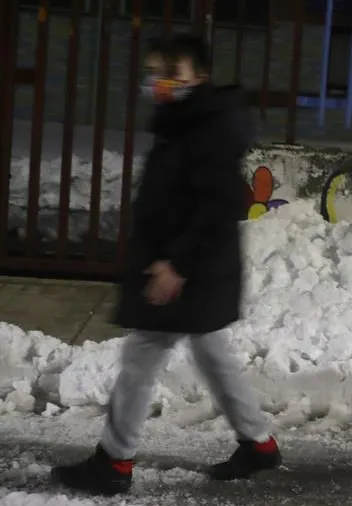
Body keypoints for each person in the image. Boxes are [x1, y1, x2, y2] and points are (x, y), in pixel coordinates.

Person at [51, 34, 280, 496]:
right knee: (212, 354)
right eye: (156, 72)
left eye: (172, 71)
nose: (160, 81)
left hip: (188, 268)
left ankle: (113, 465)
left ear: (200, 75)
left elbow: (216, 204)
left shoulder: (206, 127)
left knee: (142, 356)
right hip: (195, 266)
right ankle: (259, 445)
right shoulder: (183, 120)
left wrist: (176, 264)